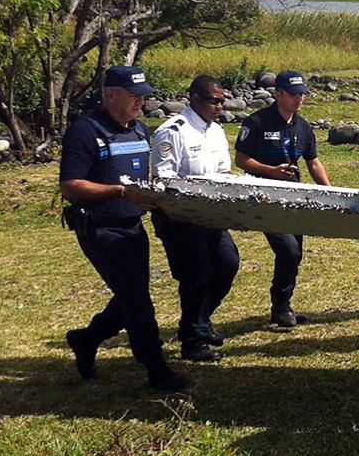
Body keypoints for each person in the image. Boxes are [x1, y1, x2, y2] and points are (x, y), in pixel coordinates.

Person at [59, 65, 188, 392]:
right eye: (134, 96)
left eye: (144, 97)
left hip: (132, 225)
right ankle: (156, 368)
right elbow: (70, 185)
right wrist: (118, 192)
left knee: (130, 296)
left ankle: (86, 339)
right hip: (100, 227)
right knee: (137, 299)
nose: (140, 103)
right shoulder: (85, 131)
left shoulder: (140, 131)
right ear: (111, 95)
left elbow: (140, 181)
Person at [151, 75, 240, 362]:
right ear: (196, 99)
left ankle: (199, 321)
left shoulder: (216, 131)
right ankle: (192, 341)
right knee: (196, 277)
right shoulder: (172, 132)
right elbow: (165, 180)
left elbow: (224, 173)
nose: (219, 106)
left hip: (212, 217)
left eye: (222, 101)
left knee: (227, 264)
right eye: (215, 101)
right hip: (182, 218)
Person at [234, 70, 332, 328]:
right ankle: (280, 306)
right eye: (293, 94)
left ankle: (282, 306)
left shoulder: (303, 126)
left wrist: (332, 192)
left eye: (302, 94)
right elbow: (241, 160)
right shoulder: (256, 123)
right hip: (265, 199)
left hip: (294, 198)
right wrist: (271, 171)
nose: (299, 99)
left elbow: (313, 162)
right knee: (287, 250)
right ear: (278, 94)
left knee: (295, 252)